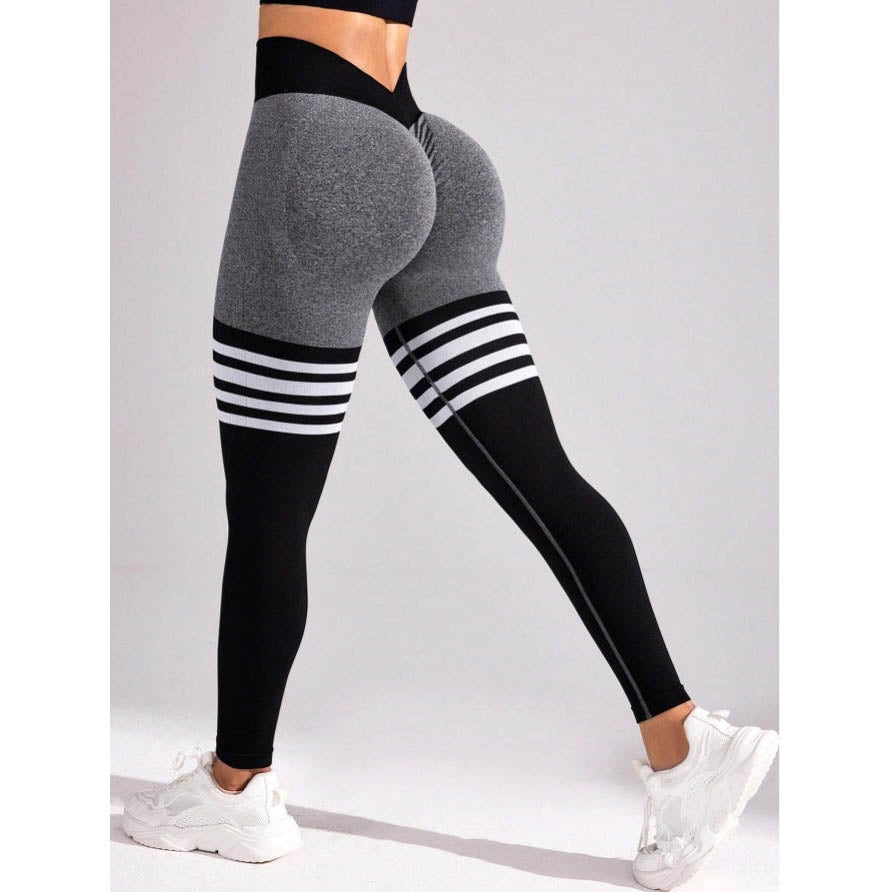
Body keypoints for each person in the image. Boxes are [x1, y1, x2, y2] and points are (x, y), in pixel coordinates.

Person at [122, 3, 778, 888]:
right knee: (543, 476)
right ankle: (683, 738)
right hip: (427, 149)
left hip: (315, 152)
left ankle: (235, 787)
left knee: (269, 514)